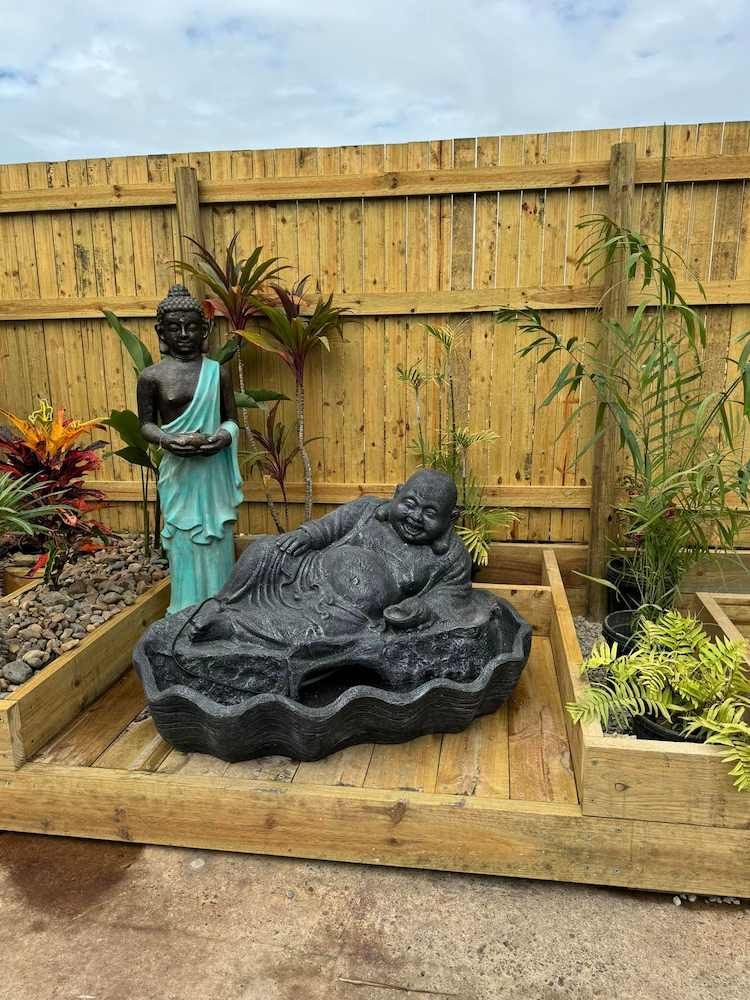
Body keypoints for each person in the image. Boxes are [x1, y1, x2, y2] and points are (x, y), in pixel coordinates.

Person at [185, 469, 474, 695]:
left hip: (349, 613)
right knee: (265, 550)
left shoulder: (450, 557)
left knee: (312, 634)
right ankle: (223, 603)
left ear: (451, 518)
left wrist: (421, 609)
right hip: (307, 570)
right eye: (410, 504)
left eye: (430, 513)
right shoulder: (368, 509)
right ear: (397, 494)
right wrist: (306, 536)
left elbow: (451, 597)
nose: (415, 516)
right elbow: (329, 527)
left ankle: (231, 628)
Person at [137, 285, 243, 613]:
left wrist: (223, 438)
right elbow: (146, 425)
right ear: (162, 331)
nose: (184, 334)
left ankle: (219, 610)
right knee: (183, 538)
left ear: (205, 330)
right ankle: (183, 609)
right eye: (175, 327)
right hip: (178, 473)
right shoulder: (151, 377)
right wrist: (168, 440)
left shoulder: (217, 372)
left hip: (211, 474)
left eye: (192, 326)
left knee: (214, 539)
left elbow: (230, 420)